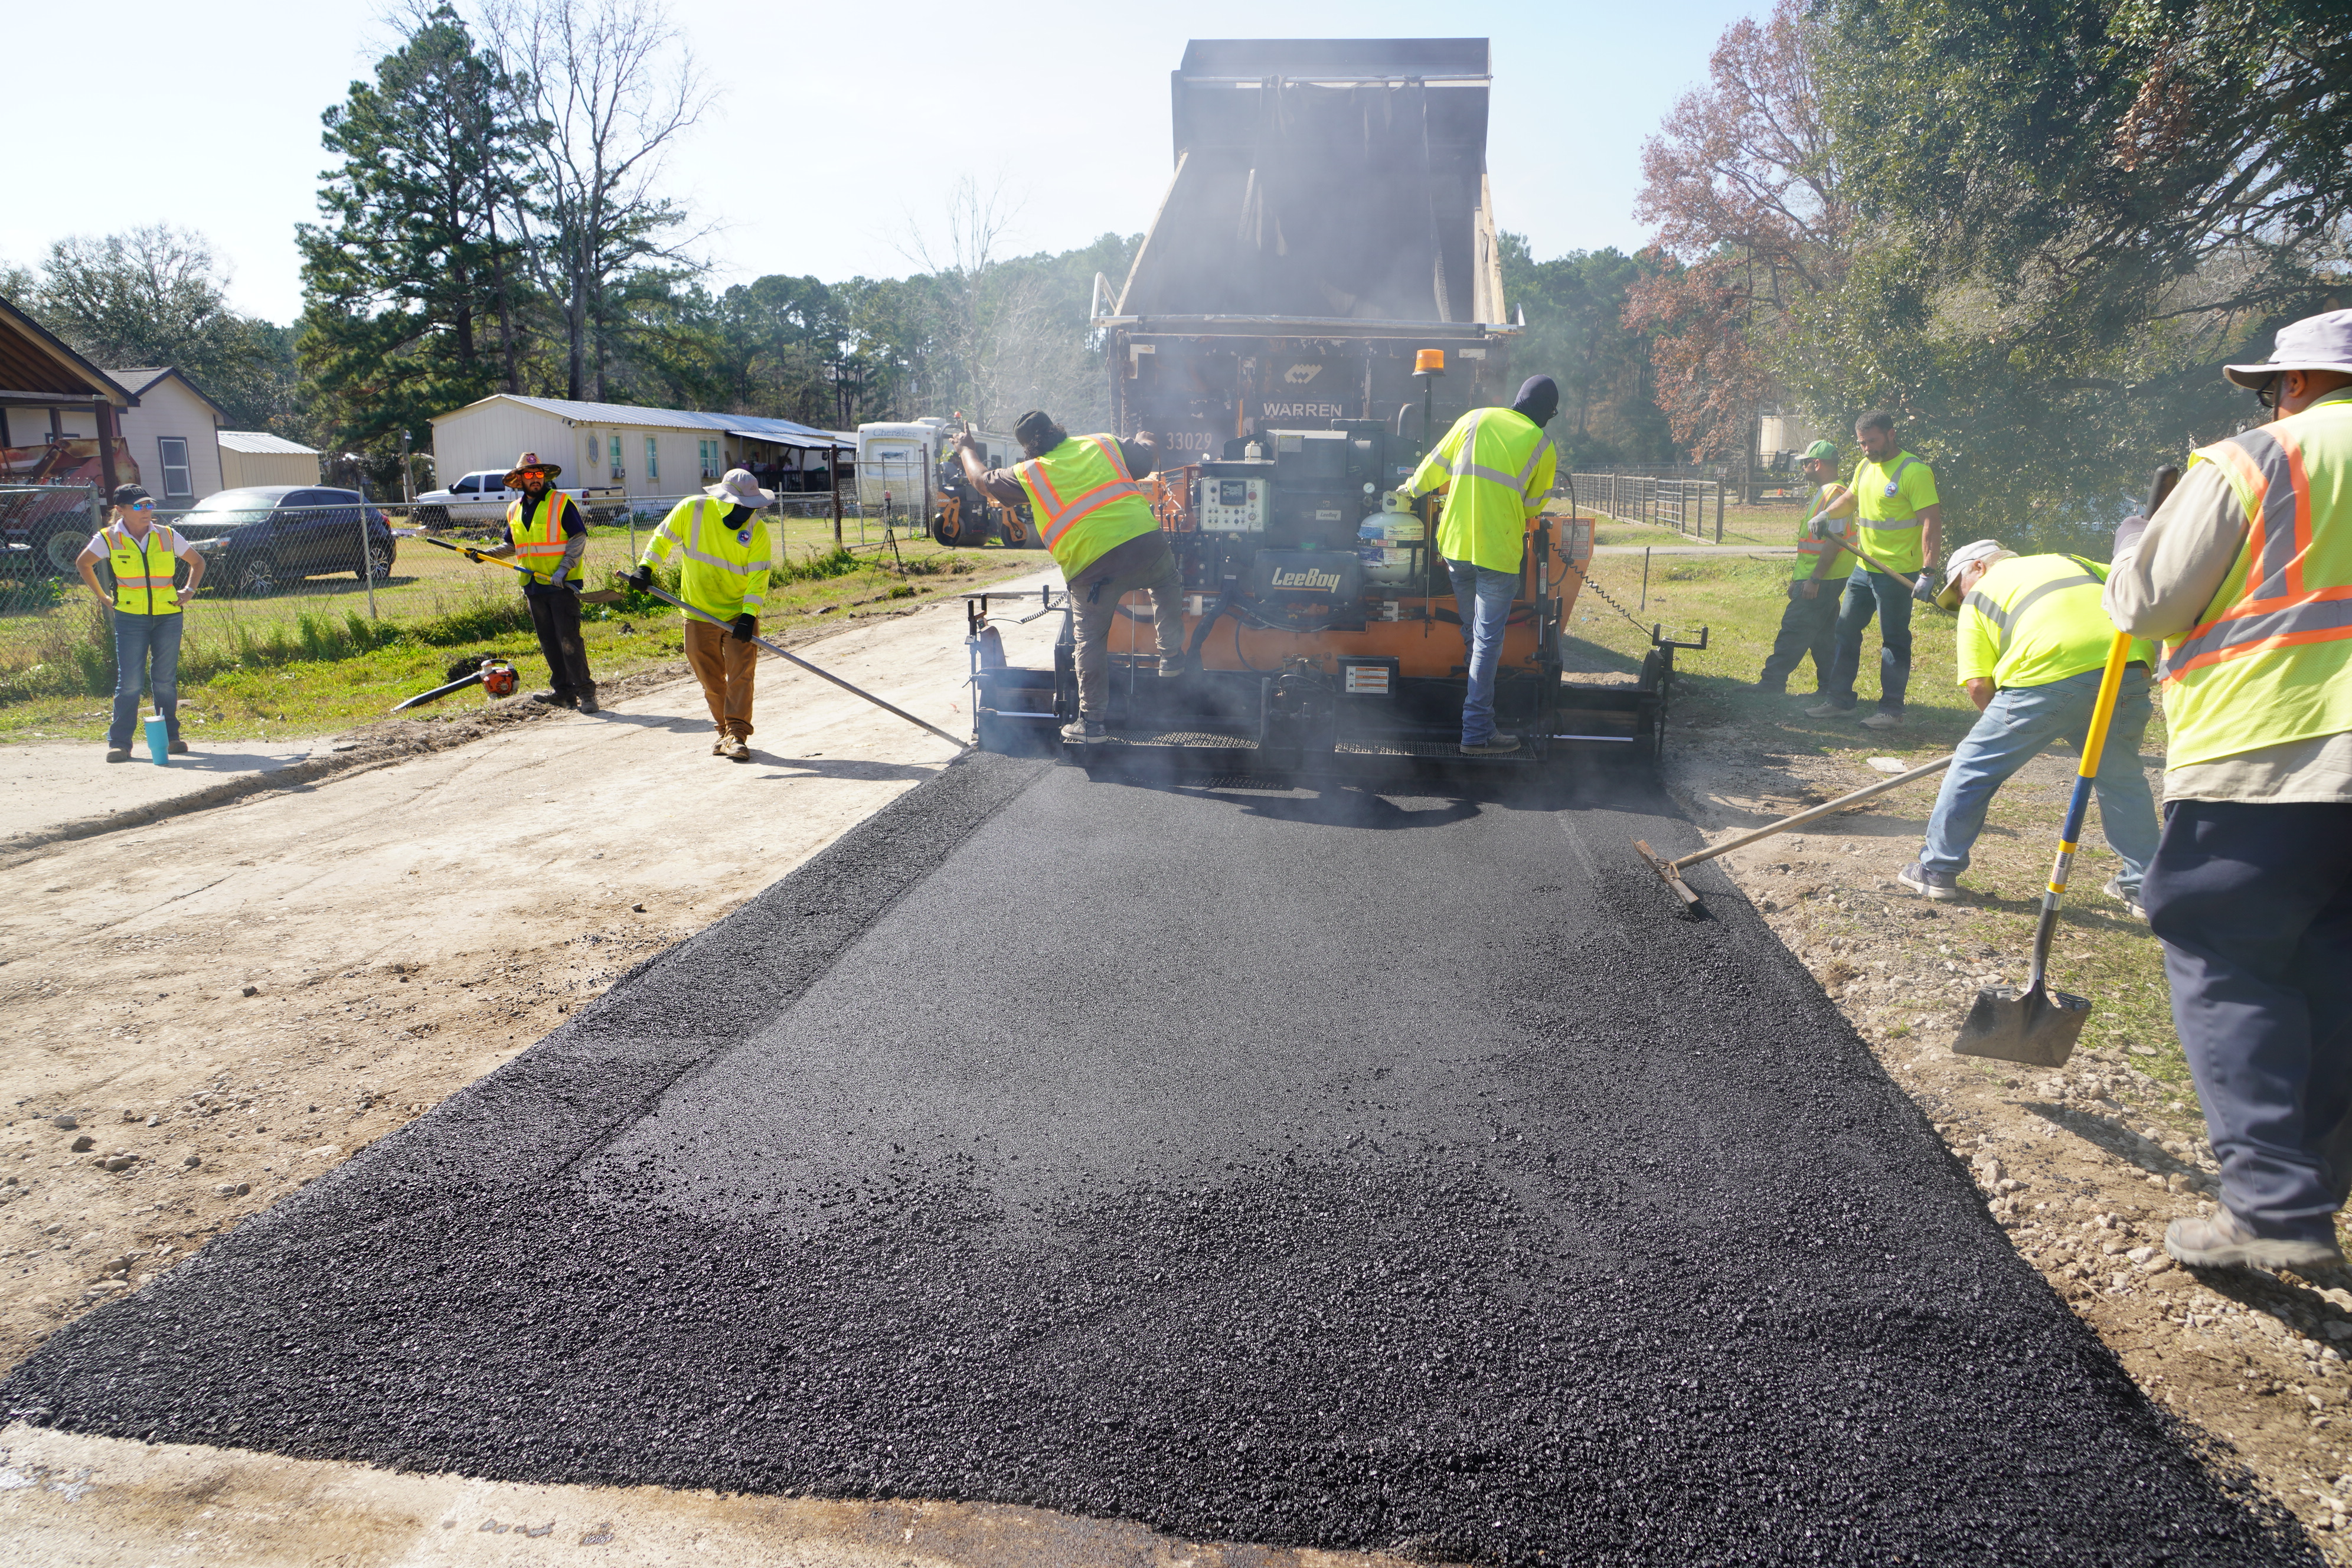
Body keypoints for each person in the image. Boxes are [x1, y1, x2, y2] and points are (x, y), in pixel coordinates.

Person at [2102, 308, 2352, 1272]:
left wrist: (2135, 537)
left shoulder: (2252, 462)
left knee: (2224, 946)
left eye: (2267, 389)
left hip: (2270, 753)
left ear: (2291, 385)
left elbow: (2145, 602)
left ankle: (2270, 1201)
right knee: (2334, 968)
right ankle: (2306, 1192)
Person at [1893, 538, 2158, 913]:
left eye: (1957, 590)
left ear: (1978, 567)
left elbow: (1978, 685)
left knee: (1972, 765)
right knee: (2121, 780)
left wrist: (2009, 730)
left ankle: (1937, 869)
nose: (1960, 601)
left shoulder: (1981, 594)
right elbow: (2132, 583)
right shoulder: (2073, 557)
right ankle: (2147, 887)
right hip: (2127, 666)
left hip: (2047, 672)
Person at [955, 410, 1181, 745]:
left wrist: (965, 448)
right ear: (1057, 429)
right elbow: (1145, 455)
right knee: (1166, 582)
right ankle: (1172, 657)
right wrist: (1146, 435)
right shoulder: (1103, 443)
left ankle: (1092, 726)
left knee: (1090, 640)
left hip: (1092, 568)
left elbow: (982, 480)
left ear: (1028, 448)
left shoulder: (1028, 473)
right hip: (1146, 547)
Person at [1399, 374, 1560, 756]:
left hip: (1455, 545)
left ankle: (1477, 719)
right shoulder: (1543, 446)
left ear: (1517, 400)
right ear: (1548, 415)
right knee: (1488, 641)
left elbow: (1433, 467)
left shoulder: (1474, 419)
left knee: (1474, 637)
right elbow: (1534, 507)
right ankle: (1476, 732)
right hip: (1498, 553)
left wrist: (1407, 491)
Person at [625, 467, 778, 761]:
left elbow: (759, 577)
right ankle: (724, 732)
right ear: (723, 500)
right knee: (710, 677)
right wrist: (646, 568)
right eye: (741, 507)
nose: (746, 513)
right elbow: (662, 538)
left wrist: (748, 615)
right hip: (697, 611)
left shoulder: (757, 531)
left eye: (751, 508)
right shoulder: (692, 510)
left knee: (741, 675)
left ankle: (736, 733)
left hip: (737, 614)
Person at [1807, 410, 1941, 730]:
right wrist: (1827, 513)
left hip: (1897, 573)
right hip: (1863, 567)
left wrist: (1928, 571)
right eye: (1862, 443)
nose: (1866, 448)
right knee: (1845, 630)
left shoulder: (1914, 471)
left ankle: (1891, 711)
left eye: (1872, 441)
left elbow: (1931, 523)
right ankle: (1839, 700)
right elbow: (1851, 498)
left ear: (1891, 435)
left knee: (1894, 640)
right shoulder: (1865, 466)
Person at [76, 483, 205, 763]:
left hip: (169, 616)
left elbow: (197, 562)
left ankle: (172, 738)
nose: (146, 510)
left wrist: (189, 590)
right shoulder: (108, 538)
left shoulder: (167, 535)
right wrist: (102, 596)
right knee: (131, 683)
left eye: (149, 504)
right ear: (120, 510)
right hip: (131, 619)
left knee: (164, 680)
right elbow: (84, 563)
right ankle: (120, 743)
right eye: (139, 506)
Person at [478, 450, 597, 714]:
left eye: (539, 474)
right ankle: (563, 693)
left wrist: (563, 570)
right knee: (549, 641)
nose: (535, 479)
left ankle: (586, 694)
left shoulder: (560, 502)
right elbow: (511, 545)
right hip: (534, 586)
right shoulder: (515, 509)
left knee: (569, 640)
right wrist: (485, 555)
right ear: (519, 479)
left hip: (561, 585)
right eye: (529, 475)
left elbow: (578, 537)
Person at [1758, 439, 1857, 695]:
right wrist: (1799, 577)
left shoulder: (1835, 494)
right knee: (1825, 637)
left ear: (1817, 463)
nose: (1802, 468)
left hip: (1822, 578)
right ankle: (1831, 689)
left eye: (1805, 464)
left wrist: (1814, 579)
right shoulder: (1826, 492)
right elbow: (1809, 546)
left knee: (1795, 627)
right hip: (1818, 577)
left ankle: (1772, 683)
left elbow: (1833, 544)